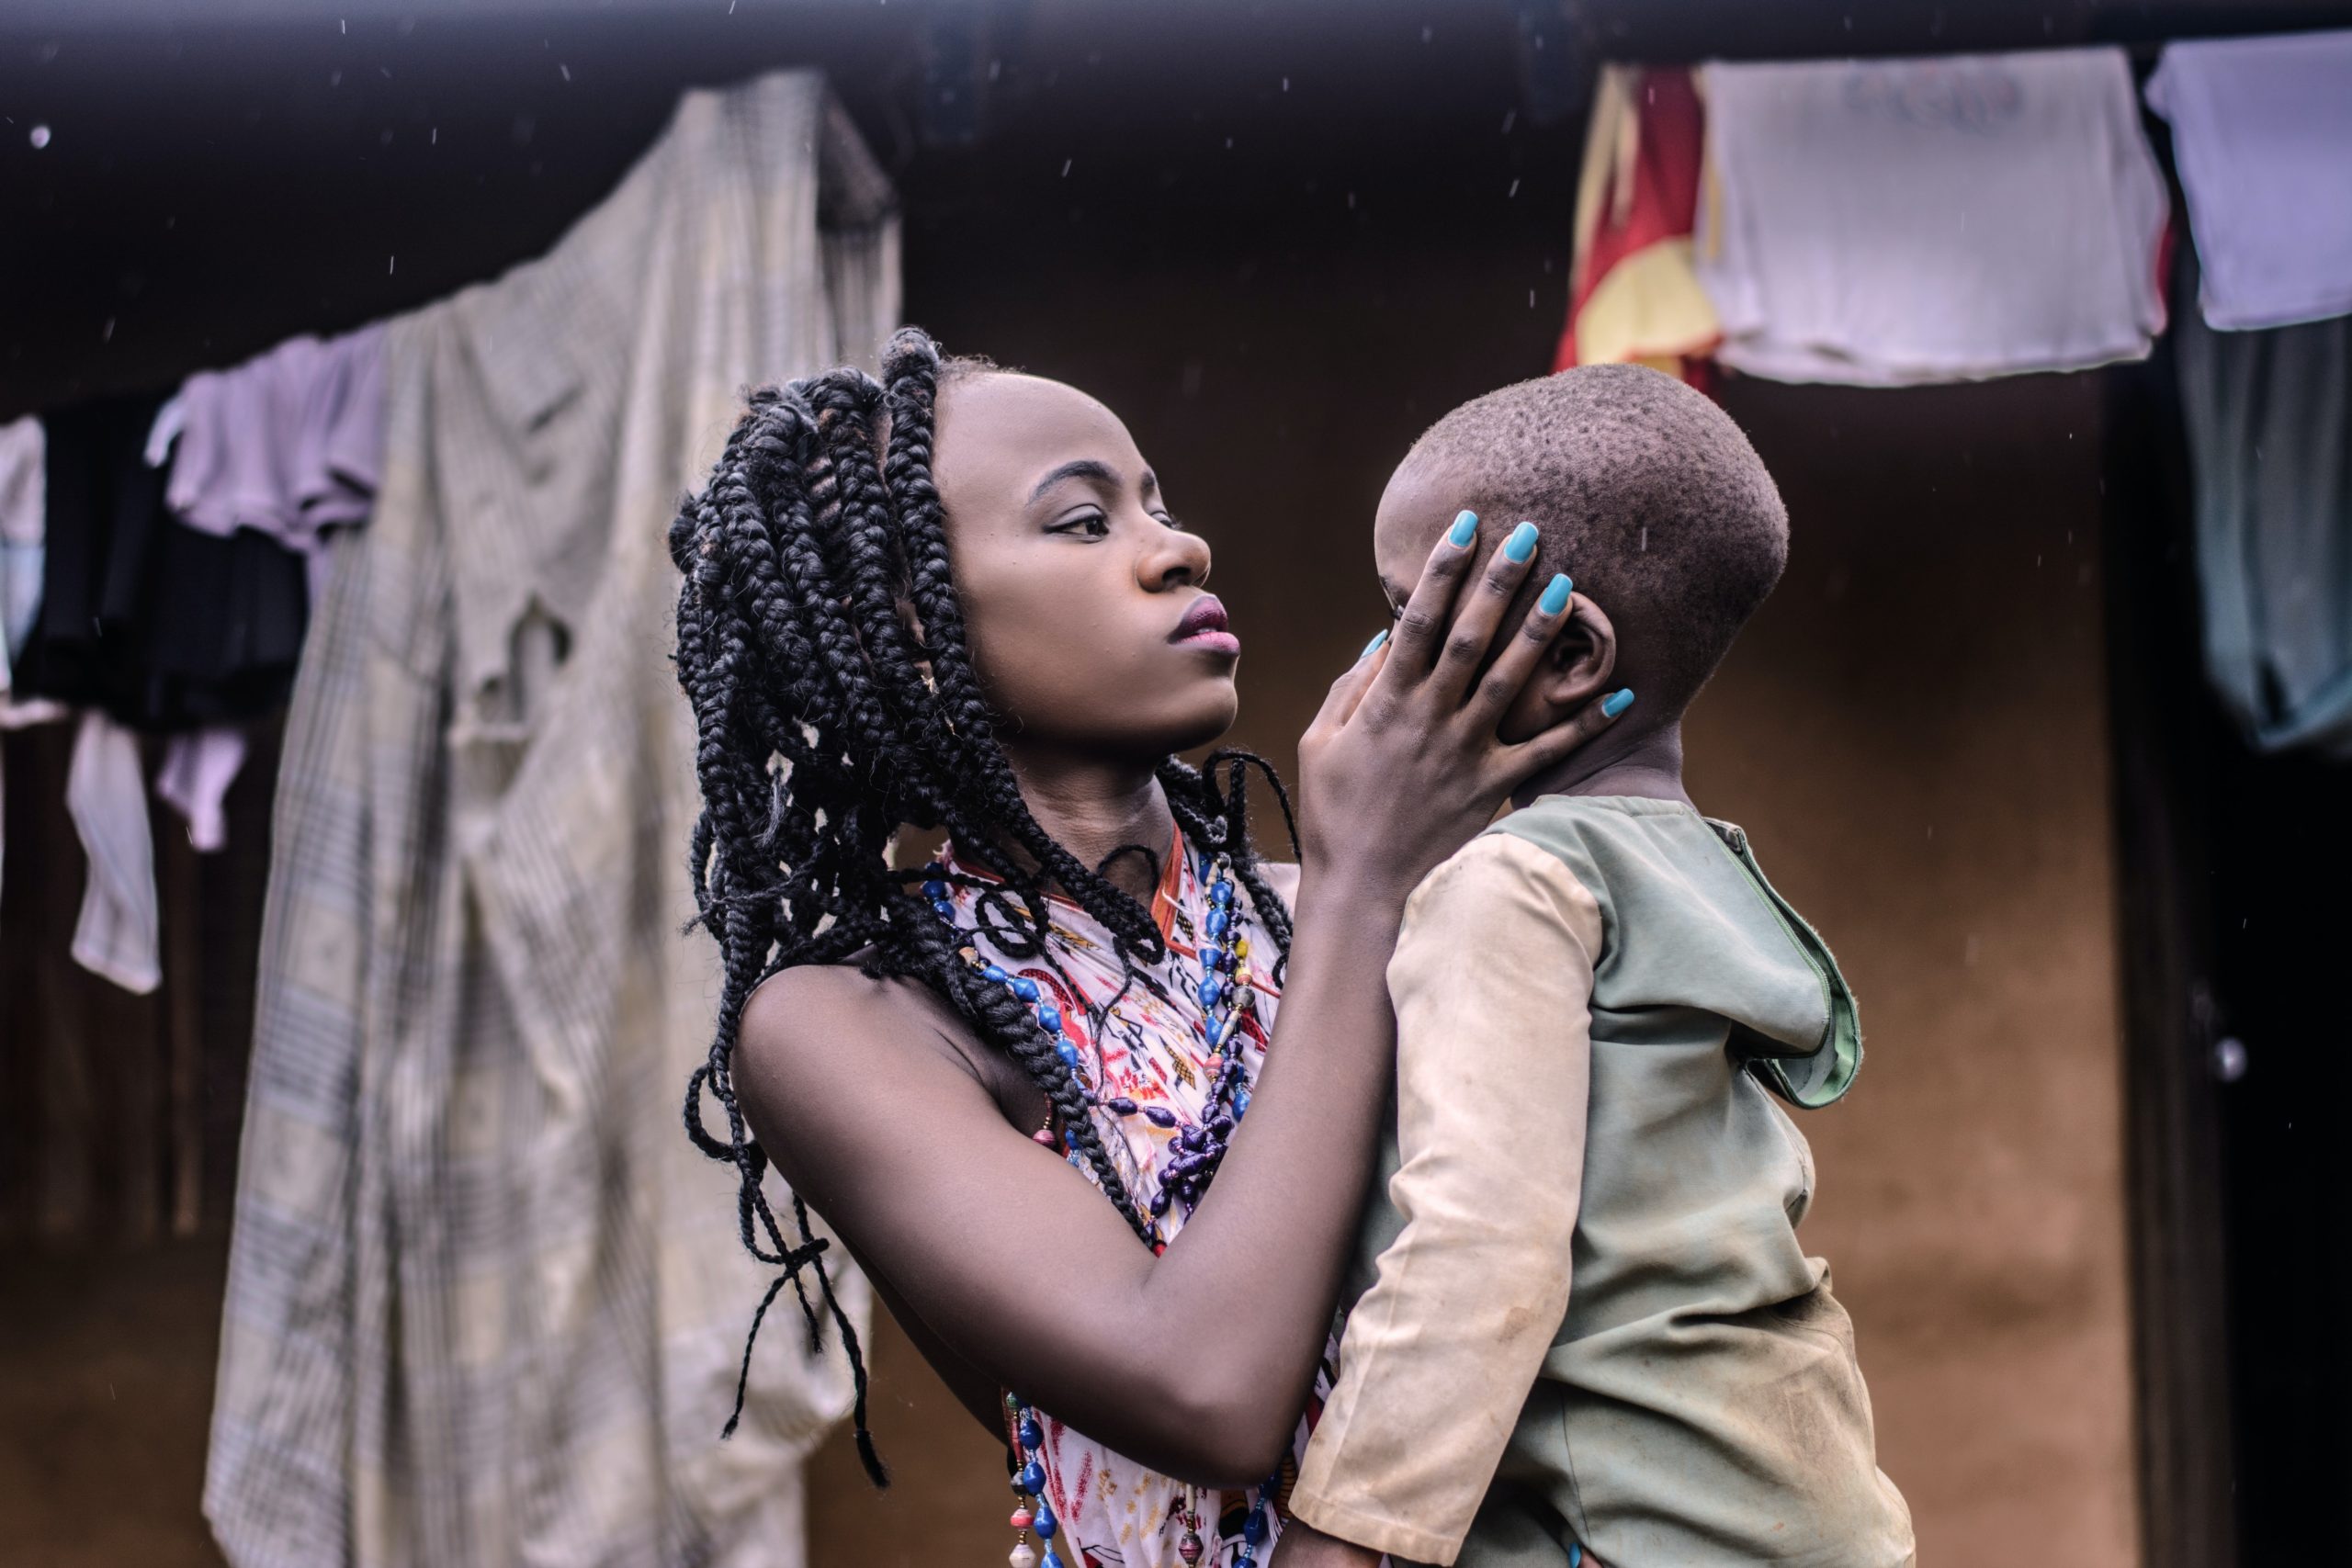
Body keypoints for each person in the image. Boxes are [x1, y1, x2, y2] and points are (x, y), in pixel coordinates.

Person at [665, 327, 1626, 1568]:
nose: (1180, 549)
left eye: (1157, 504)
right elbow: (1206, 1390)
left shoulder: (1353, 907)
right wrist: (1364, 883)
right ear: (908, 632)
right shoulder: (854, 1025)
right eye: (1082, 522)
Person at [1275, 366, 1916, 1568]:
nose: (1378, 661)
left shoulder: (1510, 886)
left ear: (1567, 654)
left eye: (1405, 618)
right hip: (1796, 1503)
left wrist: (1345, 1538)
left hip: (1633, 1533)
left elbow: (1481, 1249)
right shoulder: (1698, 868)